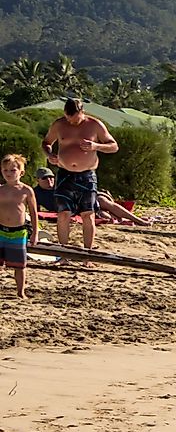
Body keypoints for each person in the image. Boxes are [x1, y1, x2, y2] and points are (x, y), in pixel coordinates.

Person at [41, 97, 118, 250]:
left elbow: (114, 146)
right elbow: (46, 143)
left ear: (82, 112)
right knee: (63, 213)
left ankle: (87, 253)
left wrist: (95, 145)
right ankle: (64, 252)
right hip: (65, 173)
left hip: (87, 174)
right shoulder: (59, 124)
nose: (72, 123)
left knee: (88, 214)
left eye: (76, 120)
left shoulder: (94, 125)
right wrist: (49, 154)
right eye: (69, 119)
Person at [0, 154, 35, 298]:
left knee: (19, 265)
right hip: (1, 230)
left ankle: (21, 292)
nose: (9, 173)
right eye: (5, 170)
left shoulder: (26, 191)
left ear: (21, 172)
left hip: (19, 232)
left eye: (12, 170)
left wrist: (35, 233)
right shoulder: (1, 189)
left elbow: (33, 212)